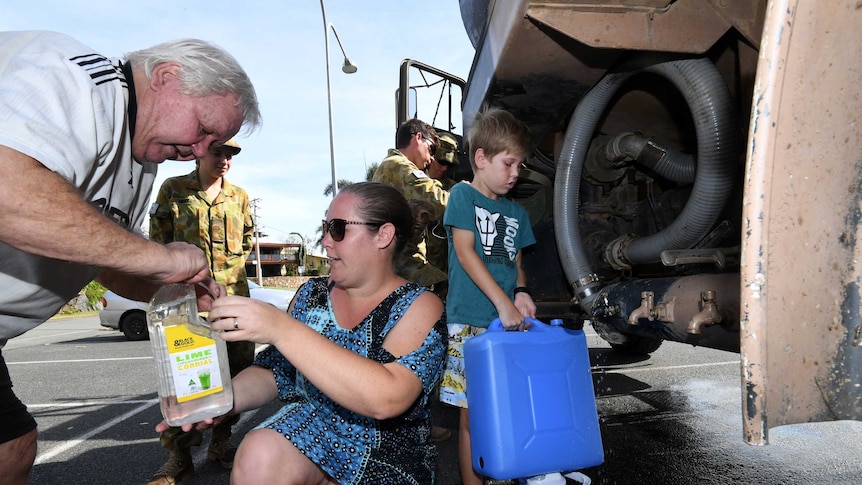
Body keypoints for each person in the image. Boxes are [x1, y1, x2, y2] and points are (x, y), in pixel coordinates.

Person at [0, 30, 260, 485]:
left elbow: (97, 255)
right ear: (165, 76)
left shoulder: (141, 160)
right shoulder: (73, 79)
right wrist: (161, 261)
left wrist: (179, 291)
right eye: (203, 130)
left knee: (12, 450)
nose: (200, 151)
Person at [158, 182, 448, 484]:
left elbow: (387, 398)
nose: (325, 241)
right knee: (259, 454)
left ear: (384, 235)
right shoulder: (312, 294)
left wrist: (281, 328)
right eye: (325, 228)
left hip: (387, 458)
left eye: (338, 229)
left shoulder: (419, 305)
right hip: (313, 433)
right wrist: (215, 402)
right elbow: (277, 371)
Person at [147, 138, 254, 484]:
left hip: (232, 301)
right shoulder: (174, 189)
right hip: (187, 304)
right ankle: (179, 458)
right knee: (186, 379)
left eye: (230, 155)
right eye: (218, 152)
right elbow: (158, 243)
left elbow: (248, 240)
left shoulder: (239, 197)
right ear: (201, 152)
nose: (224, 159)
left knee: (236, 375)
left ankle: (221, 443)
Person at [439, 108, 537, 485]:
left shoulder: (517, 211)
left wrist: (522, 292)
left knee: (505, 407)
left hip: (509, 321)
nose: (516, 173)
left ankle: (504, 470)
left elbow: (516, 263)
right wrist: (502, 303)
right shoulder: (462, 196)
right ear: (481, 158)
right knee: (472, 415)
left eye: (520, 165)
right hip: (472, 321)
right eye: (509, 163)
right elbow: (465, 253)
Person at [371, 119, 449, 292]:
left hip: (393, 265)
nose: (431, 158)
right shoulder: (399, 166)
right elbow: (438, 201)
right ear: (418, 138)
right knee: (448, 289)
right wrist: (465, 193)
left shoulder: (390, 166)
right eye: (431, 149)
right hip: (404, 266)